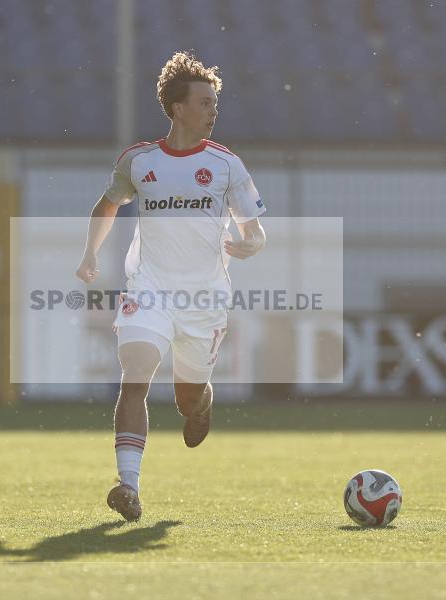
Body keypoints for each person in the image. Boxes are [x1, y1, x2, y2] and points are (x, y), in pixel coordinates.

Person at [75, 50, 266, 521]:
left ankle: (201, 403)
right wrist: (90, 253)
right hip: (150, 290)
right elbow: (107, 205)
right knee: (135, 377)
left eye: (215, 103)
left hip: (204, 300)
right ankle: (129, 486)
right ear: (178, 108)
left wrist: (250, 244)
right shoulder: (139, 161)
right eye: (204, 102)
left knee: (186, 399)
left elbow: (255, 229)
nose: (213, 111)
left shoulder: (227, 165)